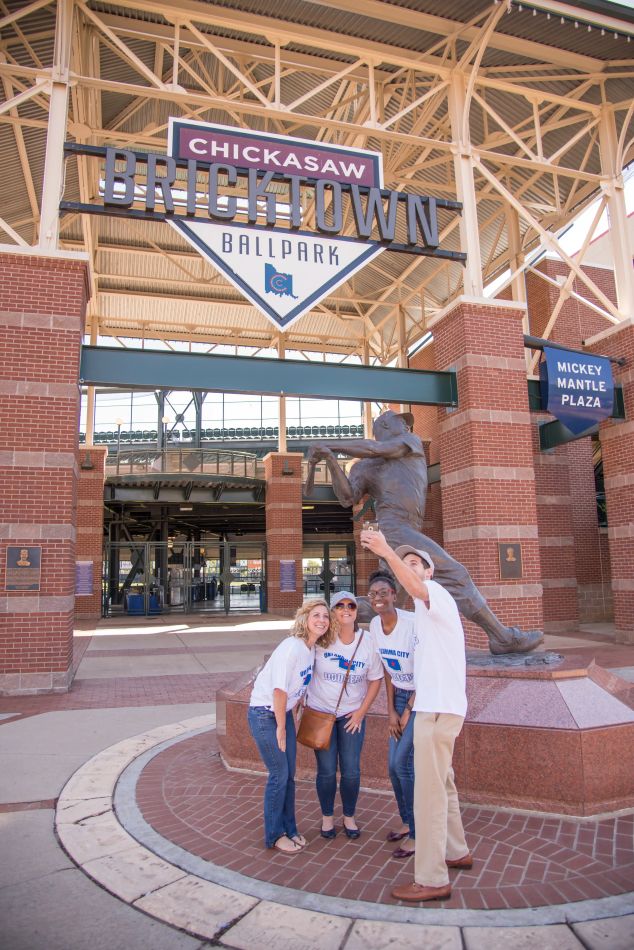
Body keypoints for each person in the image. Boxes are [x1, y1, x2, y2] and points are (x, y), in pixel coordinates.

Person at [305, 409, 542, 655]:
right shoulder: (363, 467)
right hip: (394, 528)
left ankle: (324, 615)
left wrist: (328, 445)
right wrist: (331, 459)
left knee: (389, 598)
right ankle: (502, 637)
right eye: (401, 423)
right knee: (456, 575)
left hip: (404, 529)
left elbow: (376, 449)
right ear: (385, 426)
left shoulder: (409, 443)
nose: (408, 428)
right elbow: (347, 498)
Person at [361, 527, 472, 902]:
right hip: (437, 708)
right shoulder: (422, 615)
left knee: (428, 794)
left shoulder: (435, 594)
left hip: (436, 710)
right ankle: (457, 851)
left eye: (414, 564)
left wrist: (386, 550)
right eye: (403, 564)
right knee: (444, 783)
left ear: (428, 571)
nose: (407, 568)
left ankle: (431, 877)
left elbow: (418, 587)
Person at [248, 598, 332, 854]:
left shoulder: (310, 650)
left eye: (325, 617)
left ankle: (290, 828)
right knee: (278, 775)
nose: (321, 620)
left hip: (282, 715)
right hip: (266, 715)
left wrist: (292, 716)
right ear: (304, 618)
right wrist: (282, 728)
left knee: (289, 777)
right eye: (316, 615)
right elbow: (279, 690)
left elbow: (299, 689)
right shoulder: (292, 646)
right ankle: (274, 835)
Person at [305, 590, 384, 840]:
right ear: (333, 612)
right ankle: (327, 817)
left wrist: (361, 713)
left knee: (351, 771)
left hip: (352, 716)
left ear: (356, 611)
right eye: (340, 605)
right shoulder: (321, 640)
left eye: (351, 605)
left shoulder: (368, 641)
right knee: (326, 771)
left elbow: (375, 680)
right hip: (322, 714)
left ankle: (349, 816)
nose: (346, 609)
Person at [368, 569, 416, 859]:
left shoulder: (412, 624)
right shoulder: (375, 625)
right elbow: (386, 670)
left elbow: (426, 670)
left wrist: (408, 710)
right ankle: (406, 819)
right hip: (397, 697)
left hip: (419, 698)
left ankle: (418, 832)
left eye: (383, 593)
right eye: (373, 594)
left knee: (402, 764)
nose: (378, 598)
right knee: (391, 767)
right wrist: (390, 711)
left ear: (394, 595)